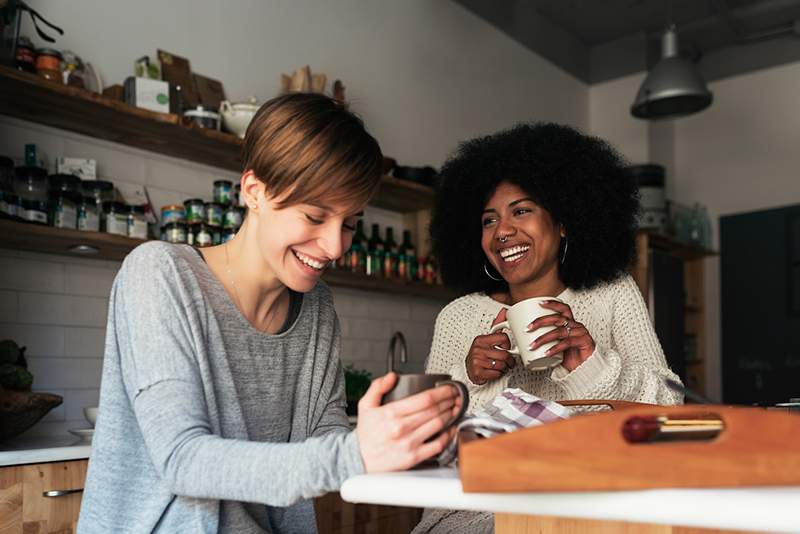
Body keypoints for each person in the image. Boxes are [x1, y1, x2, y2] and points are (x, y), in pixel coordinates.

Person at [77, 93, 460, 534]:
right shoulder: (161, 275)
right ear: (254, 192)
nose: (336, 247)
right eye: (315, 216)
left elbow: (325, 443)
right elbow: (183, 460)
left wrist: (394, 438)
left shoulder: (316, 309)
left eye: (350, 223)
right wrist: (356, 452)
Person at [414, 122, 683, 534]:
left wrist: (592, 367)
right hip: (477, 508)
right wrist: (470, 379)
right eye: (489, 220)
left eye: (521, 210)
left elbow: (671, 411)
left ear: (563, 222)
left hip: (590, 499)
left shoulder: (612, 294)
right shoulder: (458, 318)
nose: (503, 231)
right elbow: (428, 445)